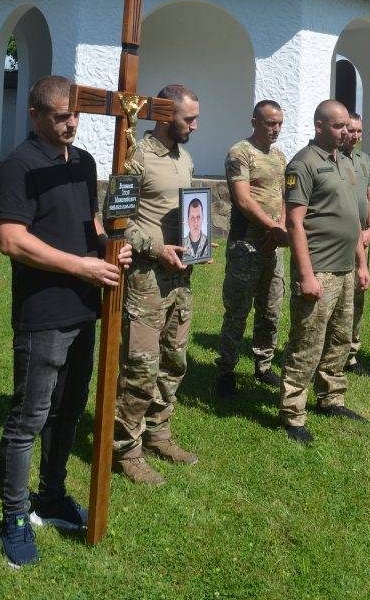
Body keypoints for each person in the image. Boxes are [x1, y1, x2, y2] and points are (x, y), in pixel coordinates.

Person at [0, 75, 132, 568]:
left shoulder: (83, 161)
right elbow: (11, 239)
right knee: (28, 417)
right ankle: (13, 517)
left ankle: (51, 496)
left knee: (68, 410)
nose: (71, 123)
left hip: (84, 306)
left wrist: (110, 250)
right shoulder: (20, 165)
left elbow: (88, 222)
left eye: (75, 115)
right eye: (59, 115)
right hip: (44, 311)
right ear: (35, 115)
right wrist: (82, 266)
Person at [113, 84, 204, 485]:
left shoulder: (184, 157)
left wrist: (198, 242)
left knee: (174, 359)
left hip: (180, 276)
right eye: (190, 119)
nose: (196, 126)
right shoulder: (135, 157)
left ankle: (158, 434)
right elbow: (115, 219)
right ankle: (126, 449)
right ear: (166, 115)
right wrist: (155, 247)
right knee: (140, 366)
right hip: (146, 279)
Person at [279, 100, 370, 444]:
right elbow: (294, 222)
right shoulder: (303, 164)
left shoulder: (343, 162)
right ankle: (292, 413)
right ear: (319, 126)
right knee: (307, 342)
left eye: (348, 126)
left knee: (339, 339)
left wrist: (361, 264)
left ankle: (331, 397)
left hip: (346, 268)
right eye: (338, 126)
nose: (346, 132)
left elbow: (353, 219)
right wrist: (306, 275)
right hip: (320, 270)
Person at [216, 100, 288, 399]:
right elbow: (243, 200)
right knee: (238, 310)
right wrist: (272, 229)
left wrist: (280, 228)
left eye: (280, 123)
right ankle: (226, 370)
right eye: (271, 123)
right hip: (247, 243)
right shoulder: (240, 153)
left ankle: (264, 364)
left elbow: (284, 197)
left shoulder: (280, 157)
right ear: (255, 121)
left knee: (271, 310)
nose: (277, 129)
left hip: (273, 245)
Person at [341, 112, 370, 376]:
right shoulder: (334, 158)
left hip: (363, 239)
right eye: (350, 130)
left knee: (358, 294)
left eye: (359, 131)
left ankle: (351, 354)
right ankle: (333, 351)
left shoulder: (364, 159)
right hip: (340, 239)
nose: (354, 136)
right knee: (338, 296)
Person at [183, 196, 208, 261]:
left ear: (203, 218)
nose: (195, 222)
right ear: (187, 220)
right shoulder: (181, 245)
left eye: (198, 217)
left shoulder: (208, 243)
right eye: (192, 218)